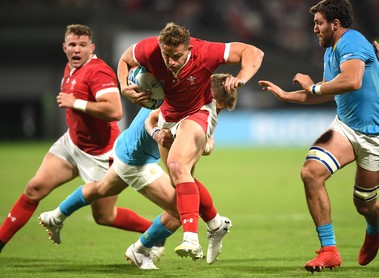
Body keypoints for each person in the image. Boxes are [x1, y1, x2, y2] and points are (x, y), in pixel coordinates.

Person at [39, 73, 238, 269]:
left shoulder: (186, 92)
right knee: (180, 211)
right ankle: (140, 250)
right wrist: (167, 136)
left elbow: (201, 137)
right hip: (137, 160)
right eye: (219, 110)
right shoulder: (186, 104)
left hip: (127, 146)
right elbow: (155, 123)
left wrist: (206, 144)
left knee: (103, 188)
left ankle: (55, 216)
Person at [258, 0, 379, 273]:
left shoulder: (353, 42)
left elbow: (352, 81)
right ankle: (329, 251)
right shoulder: (330, 52)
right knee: (311, 172)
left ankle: (375, 227)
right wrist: (286, 95)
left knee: (364, 204)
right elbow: (327, 92)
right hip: (346, 128)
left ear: (335, 24)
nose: (314, 29)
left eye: (319, 23)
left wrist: (312, 86)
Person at [0, 24, 153, 253]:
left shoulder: (98, 72)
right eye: (72, 44)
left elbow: (115, 111)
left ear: (92, 48)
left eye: (83, 45)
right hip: (72, 145)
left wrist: (76, 103)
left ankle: (155, 232)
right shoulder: (70, 68)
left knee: (105, 216)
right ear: (65, 48)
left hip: (103, 154)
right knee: (34, 189)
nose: (77, 49)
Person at [117, 22, 264, 261]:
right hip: (168, 116)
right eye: (167, 55)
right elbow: (124, 60)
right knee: (182, 180)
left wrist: (241, 78)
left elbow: (253, 52)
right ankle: (216, 224)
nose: (171, 61)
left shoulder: (205, 52)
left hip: (198, 112)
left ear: (188, 49)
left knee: (176, 166)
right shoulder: (149, 49)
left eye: (177, 56)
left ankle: (191, 240)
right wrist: (124, 87)